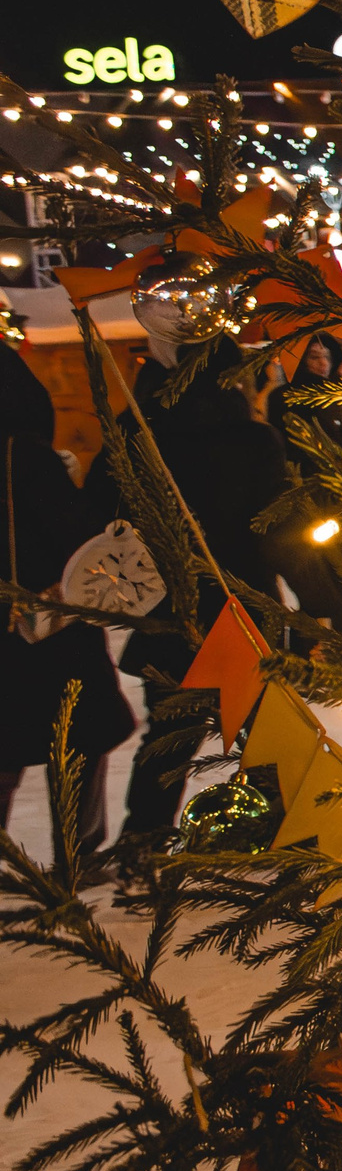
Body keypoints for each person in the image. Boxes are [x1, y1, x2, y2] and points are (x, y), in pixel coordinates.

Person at [87, 318, 298, 852]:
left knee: (167, 739)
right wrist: (323, 607)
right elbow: (278, 532)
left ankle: (143, 846)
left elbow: (96, 518)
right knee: (268, 734)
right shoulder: (253, 440)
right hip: (242, 611)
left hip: (170, 615)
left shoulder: (134, 435)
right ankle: (286, 839)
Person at [0, 347, 134, 867]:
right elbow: (76, 539)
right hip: (50, 635)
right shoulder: (27, 458)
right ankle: (76, 862)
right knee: (75, 745)